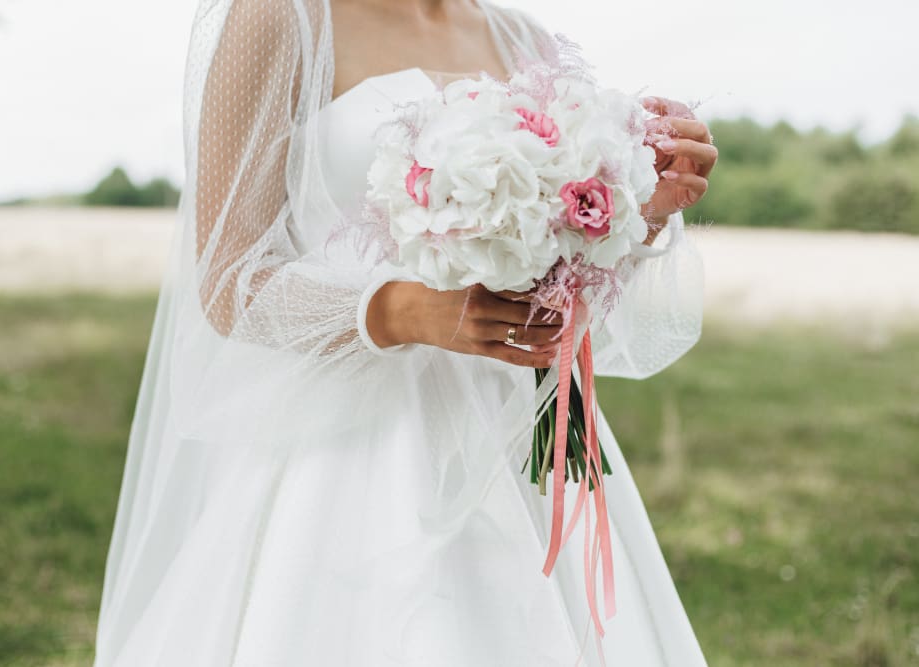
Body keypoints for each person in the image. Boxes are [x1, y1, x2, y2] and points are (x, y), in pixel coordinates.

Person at [93, 1, 717, 665]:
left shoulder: (525, 38)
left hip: (517, 440)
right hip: (346, 447)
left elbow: (564, 285)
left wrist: (636, 209)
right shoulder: (279, 18)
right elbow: (229, 282)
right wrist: (402, 312)